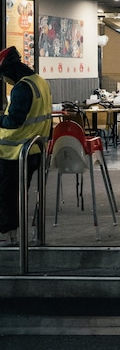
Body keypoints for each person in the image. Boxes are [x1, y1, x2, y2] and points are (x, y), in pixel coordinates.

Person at [0, 47, 52, 246]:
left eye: (4, 76)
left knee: (7, 195)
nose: (5, 81)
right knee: (17, 193)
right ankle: (13, 234)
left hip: (14, 152)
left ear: (10, 71)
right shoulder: (40, 82)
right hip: (34, 149)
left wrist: (0, 119)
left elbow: (14, 121)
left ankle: (7, 235)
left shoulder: (22, 88)